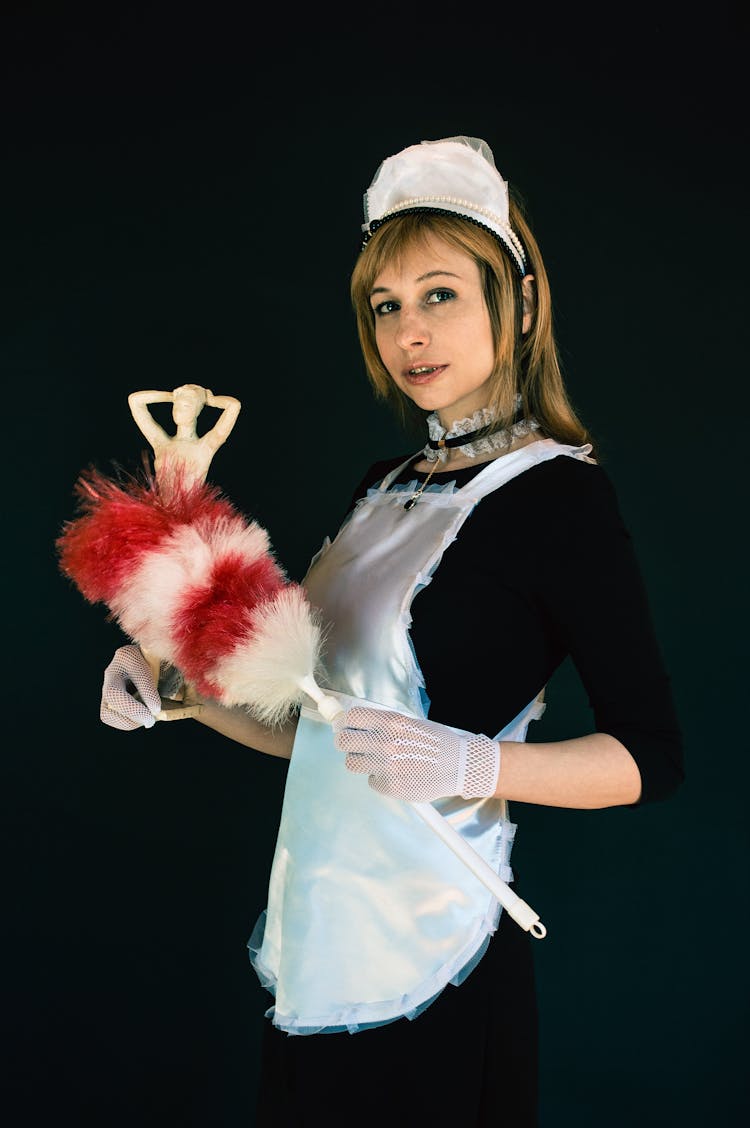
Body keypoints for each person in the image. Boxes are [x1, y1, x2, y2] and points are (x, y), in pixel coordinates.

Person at [98, 136, 684, 1126]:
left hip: (441, 971)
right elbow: (325, 735)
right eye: (387, 305)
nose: (411, 331)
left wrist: (470, 765)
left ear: (520, 300)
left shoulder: (557, 500)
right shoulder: (383, 489)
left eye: (442, 294)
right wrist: (184, 699)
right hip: (316, 955)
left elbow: (650, 758)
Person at [127, 383, 241, 491]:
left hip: (190, 510)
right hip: (158, 509)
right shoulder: (161, 443)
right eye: (176, 405)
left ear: (197, 411)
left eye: (186, 406)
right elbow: (134, 400)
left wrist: (208, 399)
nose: (178, 410)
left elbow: (234, 405)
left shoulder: (206, 446)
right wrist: (173, 397)